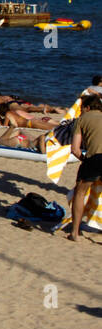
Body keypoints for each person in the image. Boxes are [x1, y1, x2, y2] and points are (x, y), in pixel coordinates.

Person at [65, 94, 102, 242]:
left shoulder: (81, 120)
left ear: (87, 107)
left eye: (81, 108)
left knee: (79, 193)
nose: (80, 111)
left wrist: (85, 160)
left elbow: (75, 149)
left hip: (95, 158)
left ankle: (75, 232)